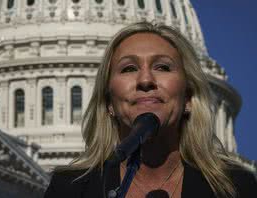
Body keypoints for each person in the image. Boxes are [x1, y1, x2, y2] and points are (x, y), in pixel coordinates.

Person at [44, 22, 257, 198]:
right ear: (109, 103)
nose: (145, 80)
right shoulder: (71, 190)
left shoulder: (236, 189)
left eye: (163, 67)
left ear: (189, 98)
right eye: (129, 68)